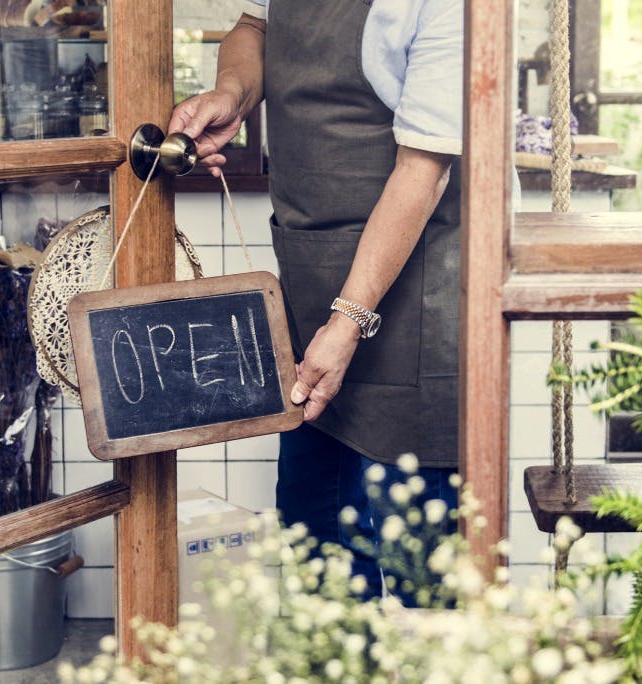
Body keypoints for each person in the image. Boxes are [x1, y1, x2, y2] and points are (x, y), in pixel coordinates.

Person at [168, 0, 464, 598]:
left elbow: (424, 170)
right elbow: (255, 26)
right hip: (314, 281)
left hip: (417, 293)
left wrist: (348, 321)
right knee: (315, 533)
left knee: (418, 565)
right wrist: (234, 92)